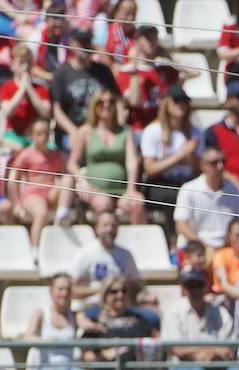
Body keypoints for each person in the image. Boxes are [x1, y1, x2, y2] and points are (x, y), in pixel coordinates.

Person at [163, 267, 239, 370]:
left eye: (198, 284)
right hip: (183, 367)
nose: (194, 290)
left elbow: (228, 351)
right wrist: (211, 350)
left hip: (217, 364)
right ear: (183, 288)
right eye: (189, 285)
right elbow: (177, 350)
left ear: (205, 286)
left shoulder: (220, 313)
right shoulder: (174, 311)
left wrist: (206, 352)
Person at [66, 90, 146, 224]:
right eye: (101, 102)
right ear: (94, 106)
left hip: (122, 190)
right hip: (95, 190)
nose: (106, 105)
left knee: (138, 203)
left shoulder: (125, 132)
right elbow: (72, 163)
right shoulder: (86, 131)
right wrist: (82, 181)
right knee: (104, 203)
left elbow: (132, 161)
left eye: (111, 102)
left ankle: (139, 243)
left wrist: (131, 189)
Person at [7, 118, 68, 256]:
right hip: (32, 193)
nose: (43, 137)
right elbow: (13, 180)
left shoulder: (56, 155)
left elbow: (64, 175)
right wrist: (16, 204)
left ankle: (62, 213)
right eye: (39, 134)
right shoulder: (26, 154)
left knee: (68, 180)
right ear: (32, 135)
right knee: (42, 214)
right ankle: (35, 249)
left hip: (51, 192)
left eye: (46, 133)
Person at [49, 28, 117, 147]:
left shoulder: (103, 71)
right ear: (72, 44)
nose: (86, 46)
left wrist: (117, 127)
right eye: (82, 42)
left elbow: (118, 101)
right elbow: (57, 111)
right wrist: (74, 132)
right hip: (71, 131)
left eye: (88, 41)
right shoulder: (61, 75)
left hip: (101, 130)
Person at [140, 85, 201, 216]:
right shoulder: (153, 131)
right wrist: (180, 156)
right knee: (177, 197)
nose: (181, 105)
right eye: (176, 101)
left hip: (188, 181)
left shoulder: (195, 132)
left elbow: (199, 170)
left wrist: (193, 155)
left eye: (184, 101)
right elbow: (150, 169)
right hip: (162, 183)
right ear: (167, 104)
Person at [175, 148, 239, 256]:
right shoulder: (189, 189)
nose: (220, 166)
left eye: (223, 161)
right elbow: (181, 226)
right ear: (203, 166)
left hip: (226, 249)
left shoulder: (234, 190)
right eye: (214, 163)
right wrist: (204, 246)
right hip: (196, 249)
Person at [71, 209, 141, 303]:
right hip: (92, 307)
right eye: (105, 225)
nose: (110, 229)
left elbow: (135, 286)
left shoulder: (126, 255)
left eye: (113, 226)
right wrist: (101, 290)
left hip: (121, 309)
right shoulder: (85, 253)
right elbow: (73, 290)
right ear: (96, 228)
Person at [0, 44, 51, 149]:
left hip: (36, 136)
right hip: (14, 135)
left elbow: (46, 113)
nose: (26, 67)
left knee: (52, 151)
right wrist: (22, 89)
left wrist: (30, 89)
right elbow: (7, 112)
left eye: (29, 63)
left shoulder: (41, 89)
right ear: (12, 65)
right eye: (22, 63)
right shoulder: (6, 87)